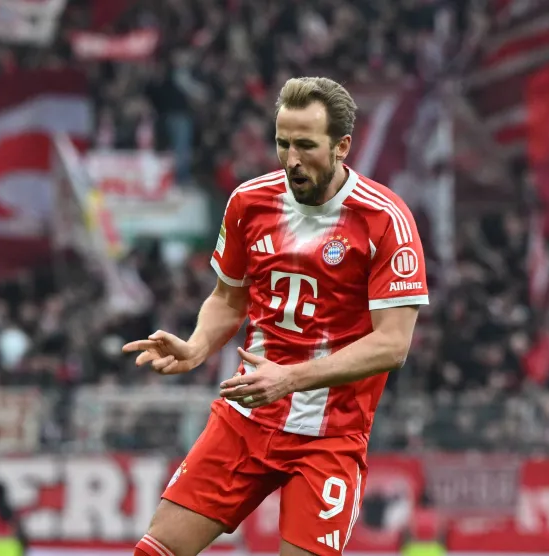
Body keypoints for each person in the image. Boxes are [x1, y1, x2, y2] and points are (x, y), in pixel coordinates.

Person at [123, 76, 429, 556]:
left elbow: (393, 345)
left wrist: (291, 379)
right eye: (283, 143)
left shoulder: (384, 219)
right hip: (246, 418)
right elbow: (228, 299)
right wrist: (198, 346)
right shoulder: (249, 202)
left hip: (330, 436)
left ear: (342, 146)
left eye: (306, 145)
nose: (291, 160)